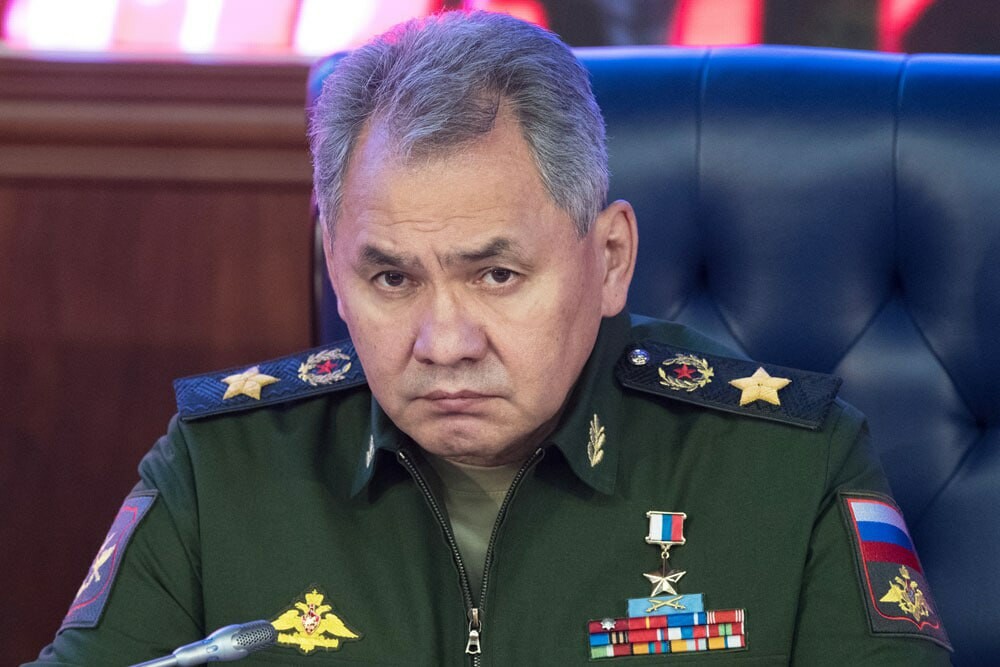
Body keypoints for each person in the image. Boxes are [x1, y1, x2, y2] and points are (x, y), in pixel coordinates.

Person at [30, 11, 952, 665]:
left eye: (496, 275)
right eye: (392, 279)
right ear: (333, 270)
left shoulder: (789, 469)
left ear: (610, 258)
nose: (443, 342)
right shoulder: (221, 470)